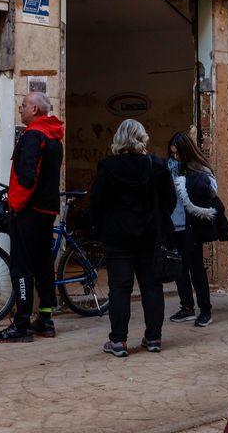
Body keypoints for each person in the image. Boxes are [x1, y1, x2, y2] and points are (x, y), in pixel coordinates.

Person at [89, 119, 176, 356]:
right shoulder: (157, 165)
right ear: (142, 138)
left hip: (117, 236)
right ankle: (154, 338)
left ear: (118, 139)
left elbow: (97, 203)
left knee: (119, 288)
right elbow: (170, 199)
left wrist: (100, 227)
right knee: (151, 286)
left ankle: (118, 341)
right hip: (149, 235)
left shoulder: (108, 167)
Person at [0, 92, 64, 343]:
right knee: (43, 264)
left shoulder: (34, 135)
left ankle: (21, 325)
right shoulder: (54, 137)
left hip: (28, 212)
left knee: (21, 267)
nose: (20, 109)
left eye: (23, 106)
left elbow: (27, 176)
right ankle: (45, 319)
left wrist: (15, 205)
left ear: (34, 109)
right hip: (47, 211)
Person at [166, 131, 218, 327]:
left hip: (192, 226)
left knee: (196, 269)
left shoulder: (200, 170)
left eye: (178, 154)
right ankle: (187, 307)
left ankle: (205, 310)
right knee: (179, 270)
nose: (175, 158)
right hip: (174, 225)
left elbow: (212, 191)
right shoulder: (169, 168)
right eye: (172, 154)